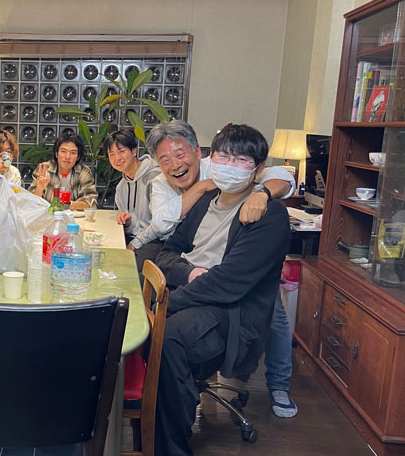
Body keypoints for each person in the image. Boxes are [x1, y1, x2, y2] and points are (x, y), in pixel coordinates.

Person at [154, 124, 290, 456]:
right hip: (194, 294)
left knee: (168, 338)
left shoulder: (268, 214)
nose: (230, 165)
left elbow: (228, 283)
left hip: (231, 314)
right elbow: (167, 252)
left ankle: (170, 447)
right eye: (224, 156)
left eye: (241, 160)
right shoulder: (205, 201)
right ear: (210, 158)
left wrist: (167, 303)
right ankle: (147, 423)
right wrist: (187, 273)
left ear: (258, 168)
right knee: (139, 330)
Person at [103, 129, 163, 271]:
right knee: (103, 257)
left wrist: (134, 244)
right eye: (112, 154)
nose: (117, 158)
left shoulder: (155, 179)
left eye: (121, 151)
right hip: (134, 237)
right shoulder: (121, 187)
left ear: (134, 151)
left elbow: (160, 225)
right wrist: (128, 223)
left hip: (157, 240)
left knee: (125, 269)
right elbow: (133, 225)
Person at [29, 134, 97, 210]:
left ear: (78, 157)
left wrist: (70, 205)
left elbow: (91, 202)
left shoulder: (83, 172)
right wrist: (39, 188)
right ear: (56, 154)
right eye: (63, 151)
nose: (67, 156)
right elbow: (30, 203)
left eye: (73, 153)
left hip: (74, 216)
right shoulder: (44, 169)